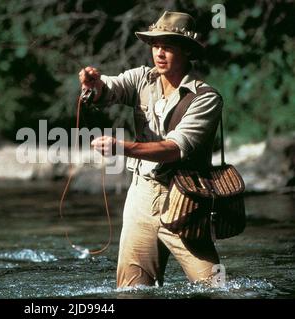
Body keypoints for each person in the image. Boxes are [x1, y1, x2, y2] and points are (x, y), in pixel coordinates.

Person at [79, 11, 223, 288]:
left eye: (168, 46)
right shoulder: (141, 79)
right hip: (141, 198)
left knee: (217, 288)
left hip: (184, 199)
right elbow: (108, 90)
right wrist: (93, 85)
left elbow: (174, 149)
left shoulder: (206, 98)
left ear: (186, 51)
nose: (159, 52)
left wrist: (122, 148)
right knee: (131, 290)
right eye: (156, 45)